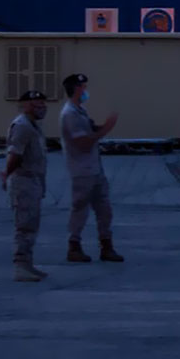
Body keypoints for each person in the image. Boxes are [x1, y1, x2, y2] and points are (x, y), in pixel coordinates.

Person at [60, 74, 123, 263]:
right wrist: (106, 130)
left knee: (104, 209)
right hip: (81, 170)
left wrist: (103, 126)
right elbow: (83, 143)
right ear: (75, 89)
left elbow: (92, 130)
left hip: (94, 168)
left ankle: (106, 245)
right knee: (80, 209)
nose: (85, 90)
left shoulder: (80, 110)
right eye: (82, 87)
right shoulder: (69, 114)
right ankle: (74, 246)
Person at [0, 91, 49, 282]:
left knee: (31, 224)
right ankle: (21, 265)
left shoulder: (33, 126)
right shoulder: (22, 126)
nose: (42, 107)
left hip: (34, 181)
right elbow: (16, 155)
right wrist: (6, 173)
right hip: (24, 182)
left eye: (43, 103)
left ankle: (28, 264)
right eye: (37, 103)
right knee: (25, 226)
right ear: (25, 105)